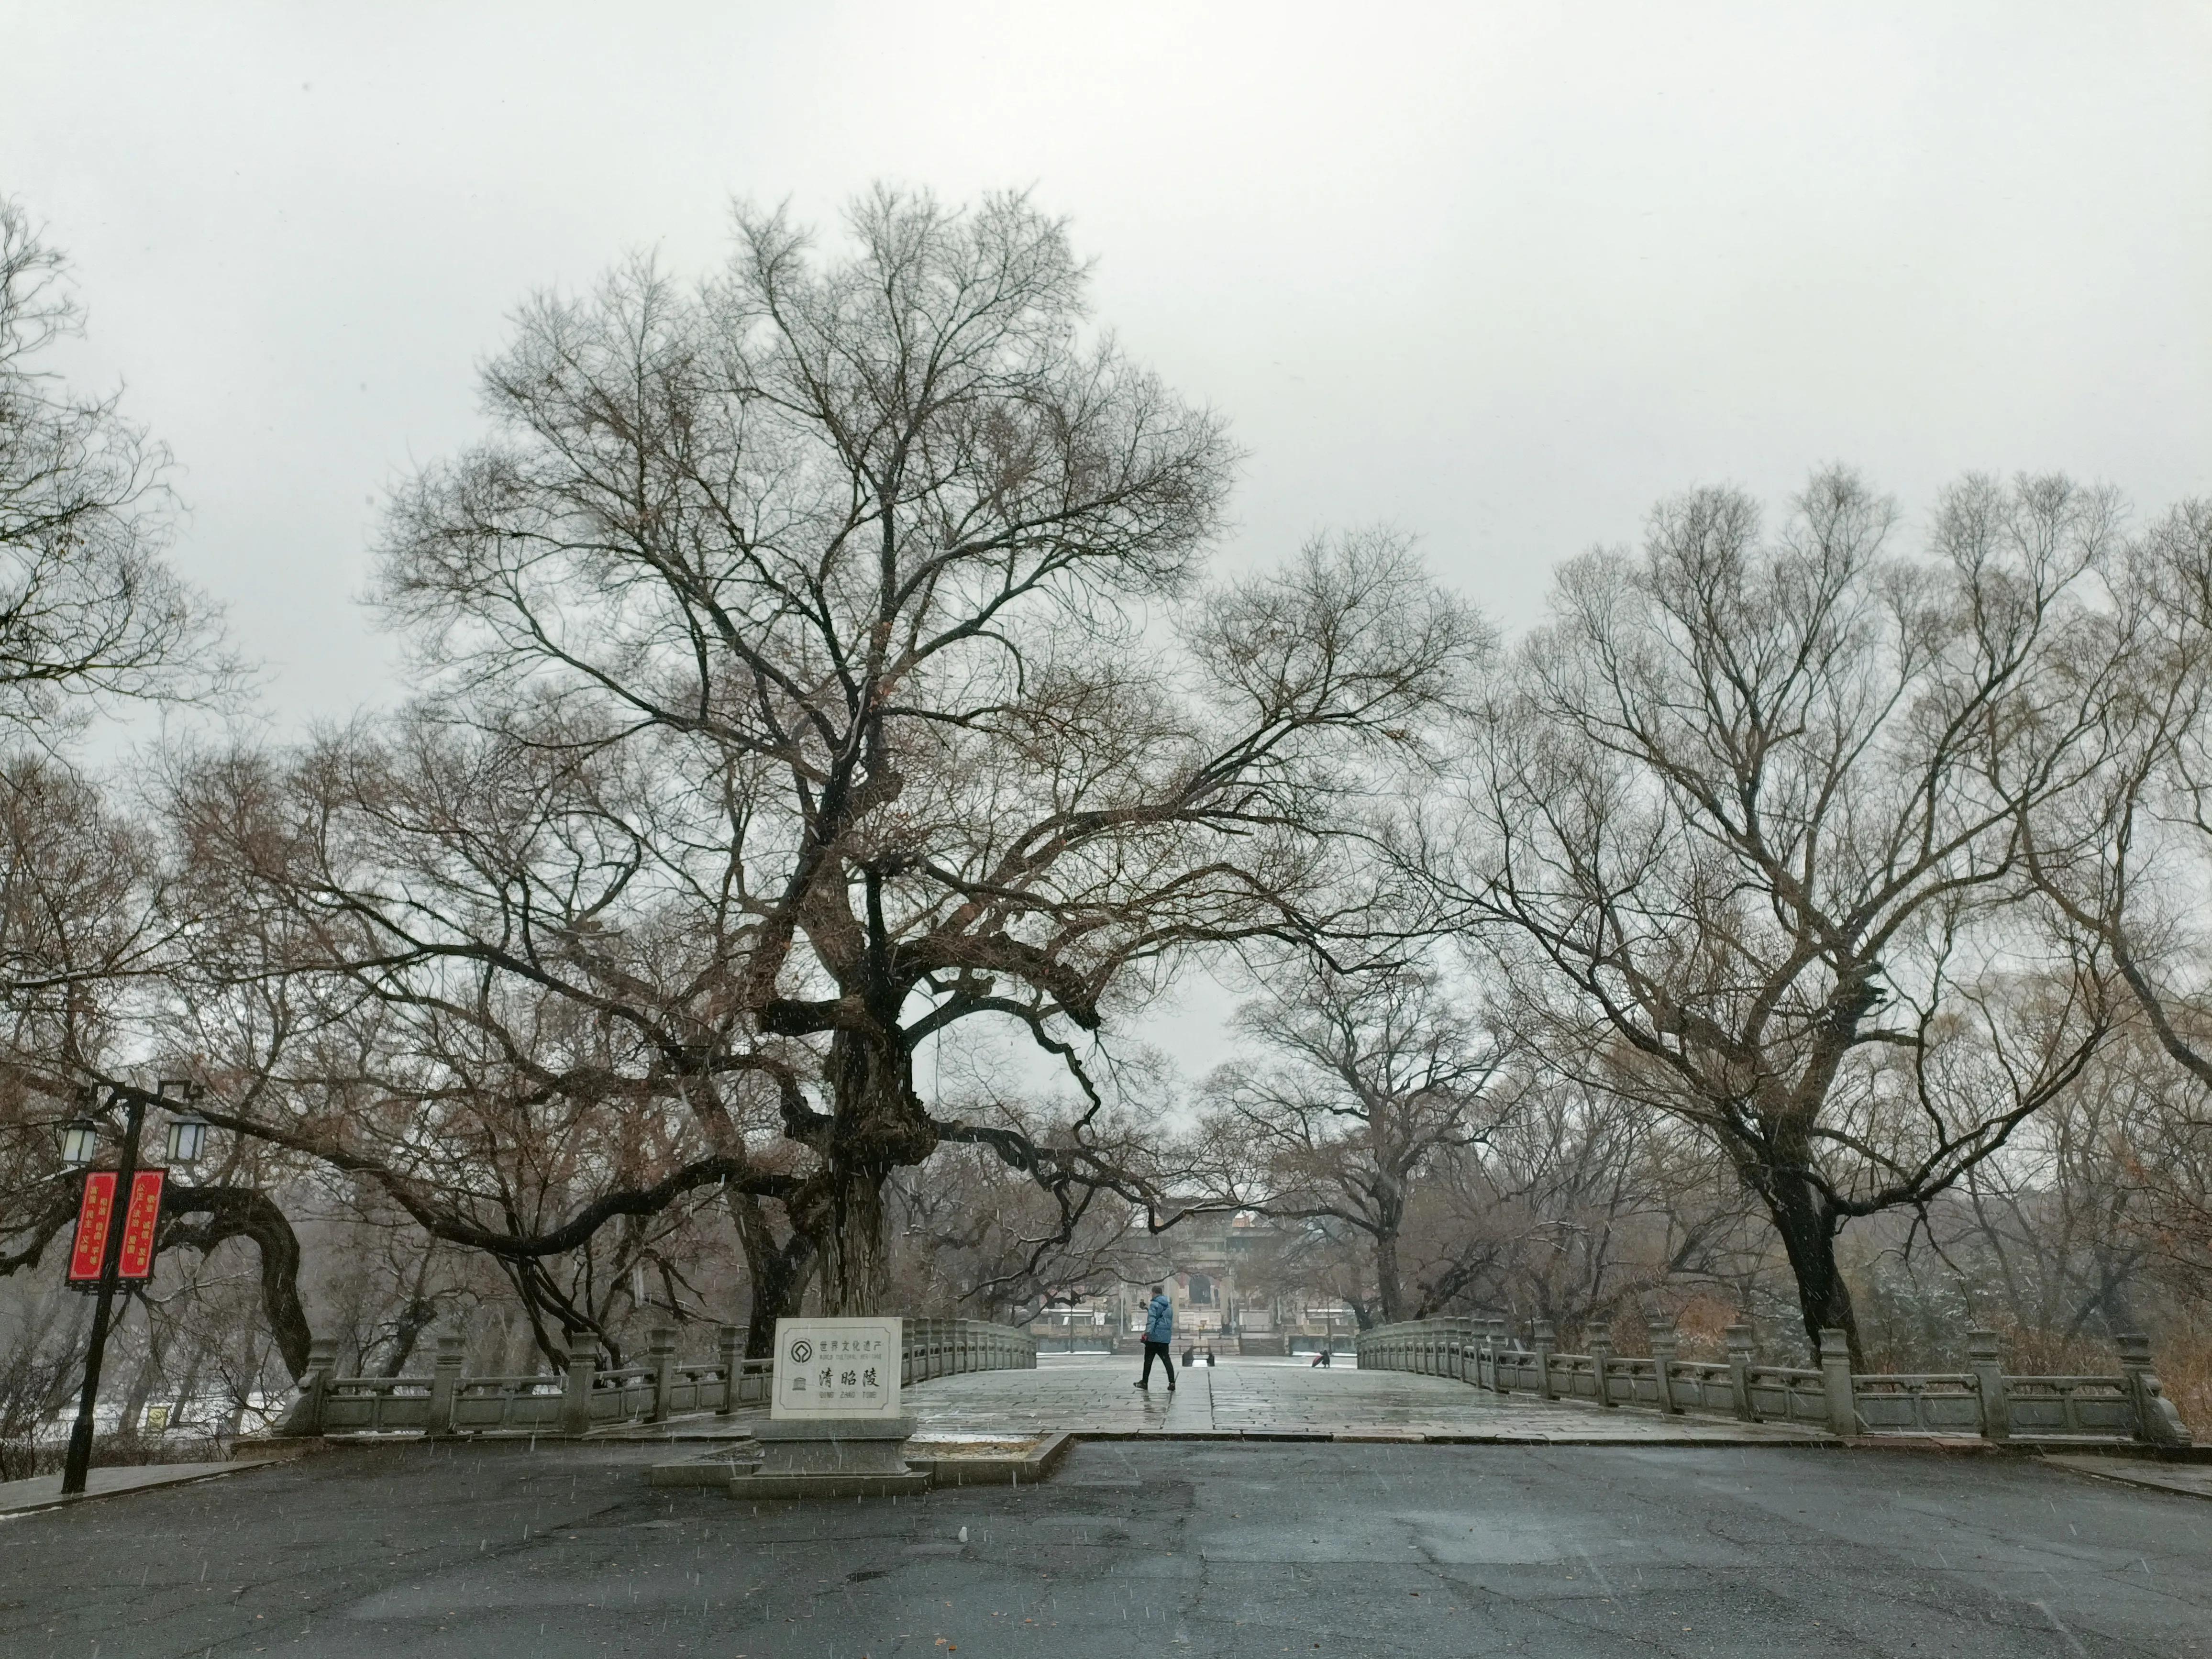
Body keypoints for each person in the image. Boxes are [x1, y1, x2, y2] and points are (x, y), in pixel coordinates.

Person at [1135, 1284, 1175, 1393]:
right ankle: (1172, 1382)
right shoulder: (1169, 1306)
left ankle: (1144, 1382)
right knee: (1167, 1360)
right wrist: (1147, 1308)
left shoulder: (1154, 1304)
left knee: (1148, 1361)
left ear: (1154, 1293)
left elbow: (1152, 1320)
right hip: (1164, 1339)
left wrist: (1147, 1333)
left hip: (1153, 1339)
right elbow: (1162, 1318)